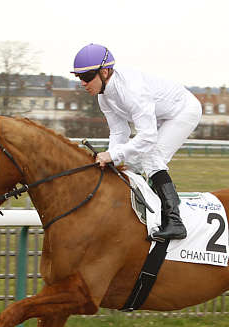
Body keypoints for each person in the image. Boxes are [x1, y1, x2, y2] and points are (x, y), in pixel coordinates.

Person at [71, 43, 202, 241]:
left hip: (183, 111)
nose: (82, 83)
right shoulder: (104, 98)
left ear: (104, 72)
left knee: (152, 157)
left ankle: (175, 221)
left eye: (87, 77)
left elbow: (147, 138)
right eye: (78, 77)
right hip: (160, 115)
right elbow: (119, 132)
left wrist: (112, 155)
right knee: (130, 163)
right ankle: (138, 214)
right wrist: (111, 160)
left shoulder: (132, 90)